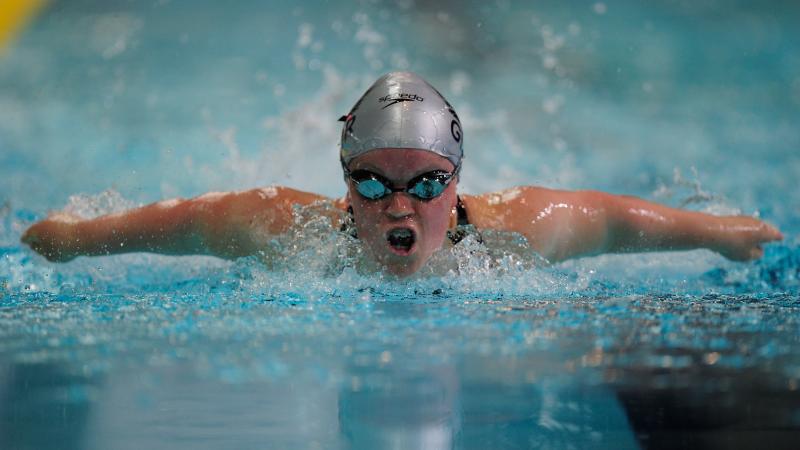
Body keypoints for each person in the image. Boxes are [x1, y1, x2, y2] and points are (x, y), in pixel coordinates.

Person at [21, 72, 783, 277]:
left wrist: (718, 234)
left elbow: (615, 219)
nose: (398, 204)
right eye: (371, 182)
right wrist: (78, 238)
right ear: (344, 181)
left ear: (455, 184)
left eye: (424, 184)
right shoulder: (282, 227)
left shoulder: (516, 232)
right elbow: (183, 222)